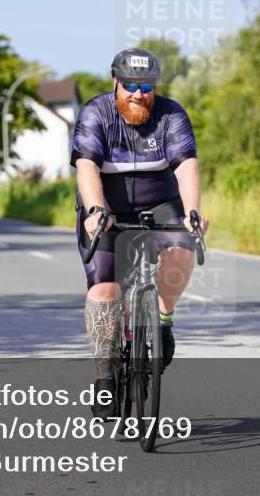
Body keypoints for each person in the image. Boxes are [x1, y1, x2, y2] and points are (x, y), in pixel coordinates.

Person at [71, 47, 208, 419]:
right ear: (115, 81)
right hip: (108, 208)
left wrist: (193, 212)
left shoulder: (171, 114)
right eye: (130, 84)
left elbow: (186, 168)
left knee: (182, 249)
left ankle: (162, 320)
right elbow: (86, 168)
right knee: (104, 290)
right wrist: (96, 210)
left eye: (146, 86)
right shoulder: (95, 112)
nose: (138, 93)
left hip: (159, 202)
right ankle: (104, 379)